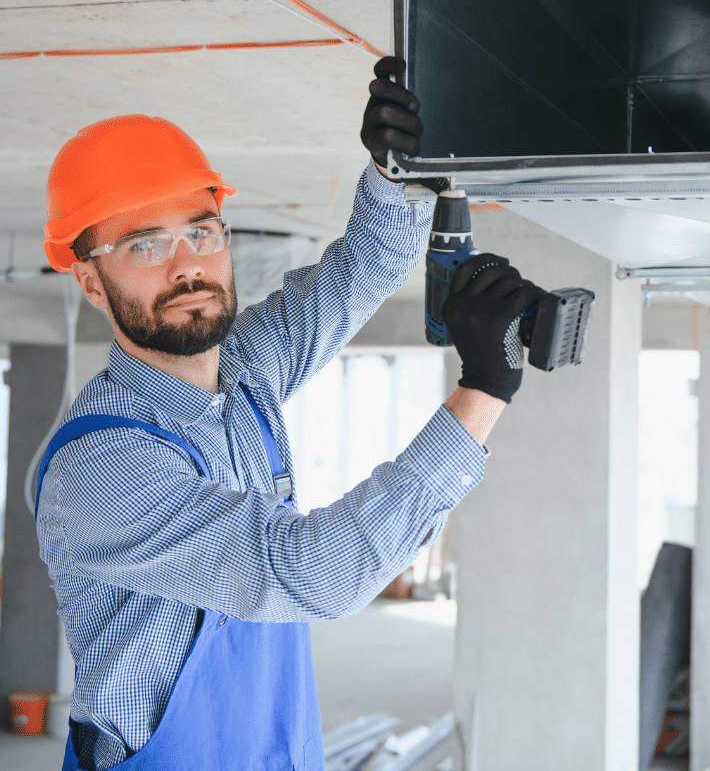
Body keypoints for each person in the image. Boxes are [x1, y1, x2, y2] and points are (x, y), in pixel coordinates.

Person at [33, 57, 542, 771]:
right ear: (89, 278)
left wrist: (392, 172)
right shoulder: (101, 468)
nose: (187, 265)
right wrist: (483, 388)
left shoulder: (244, 373)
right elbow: (310, 575)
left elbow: (360, 270)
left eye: (202, 232)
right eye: (145, 245)